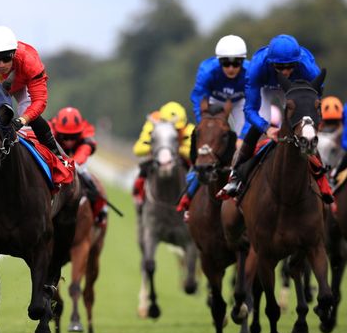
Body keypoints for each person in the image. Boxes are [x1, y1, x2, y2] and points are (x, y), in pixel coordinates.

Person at [219, 34, 322, 198]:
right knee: (263, 117)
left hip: (295, 90)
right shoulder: (257, 67)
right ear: (270, 63)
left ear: (298, 62)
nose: (286, 71)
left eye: (291, 66)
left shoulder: (308, 68)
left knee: (306, 127)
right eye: (280, 67)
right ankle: (236, 175)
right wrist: (266, 129)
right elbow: (250, 110)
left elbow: (316, 98)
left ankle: (323, 180)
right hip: (266, 89)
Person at [177, 35, 249, 214]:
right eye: (226, 63)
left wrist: (241, 137)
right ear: (219, 62)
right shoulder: (207, 71)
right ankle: (189, 195)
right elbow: (198, 97)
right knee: (203, 141)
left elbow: (254, 102)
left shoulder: (251, 72)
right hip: (215, 100)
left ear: (243, 62)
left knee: (245, 143)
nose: (231, 68)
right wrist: (203, 121)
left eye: (236, 63)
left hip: (241, 102)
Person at [0, 25, 62, 156]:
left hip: (22, 85)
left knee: (29, 115)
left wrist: (22, 120)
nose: (2, 64)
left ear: (14, 53)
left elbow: (39, 101)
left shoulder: (29, 62)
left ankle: (57, 156)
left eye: (6, 58)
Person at [50, 107, 107, 223]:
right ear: (57, 131)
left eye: (74, 137)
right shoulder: (50, 127)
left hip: (77, 161)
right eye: (64, 137)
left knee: (92, 185)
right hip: (55, 158)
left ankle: (100, 212)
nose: (69, 141)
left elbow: (85, 150)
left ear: (80, 132)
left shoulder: (87, 131)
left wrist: (73, 163)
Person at [132, 101, 194, 208]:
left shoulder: (190, 129)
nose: (177, 130)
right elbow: (137, 149)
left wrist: (177, 149)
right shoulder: (152, 124)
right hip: (157, 158)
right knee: (143, 169)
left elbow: (193, 152)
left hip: (181, 159)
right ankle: (139, 197)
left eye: (178, 128)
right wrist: (157, 148)